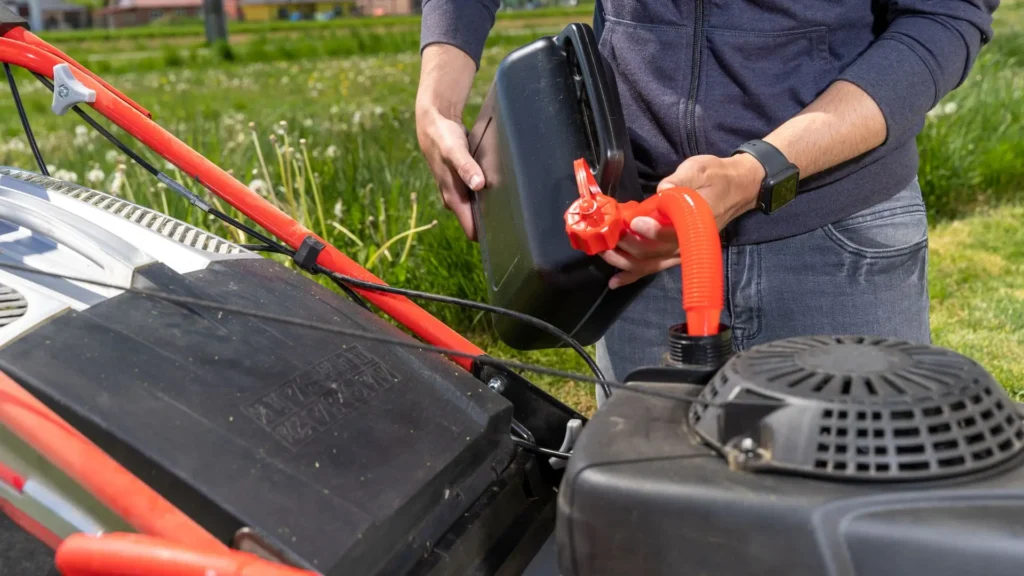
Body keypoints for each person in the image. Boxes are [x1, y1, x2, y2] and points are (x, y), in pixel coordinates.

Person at [415, 0, 999, 404]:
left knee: (856, 509)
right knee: (658, 511)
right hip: (642, 245)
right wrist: (437, 98)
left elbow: (943, 16)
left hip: (838, 241)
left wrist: (758, 170)